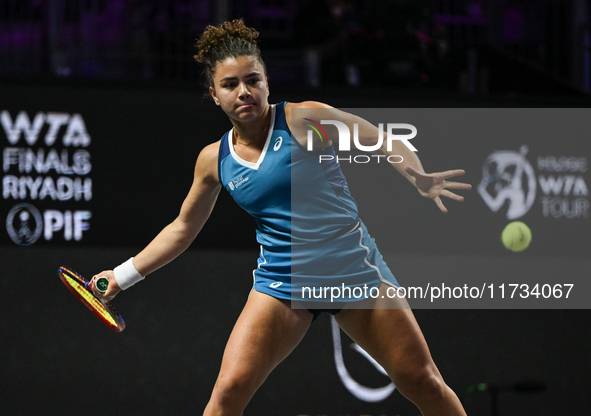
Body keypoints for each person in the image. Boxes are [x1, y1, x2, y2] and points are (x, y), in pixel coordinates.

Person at [91, 19, 471, 416]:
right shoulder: (213, 161)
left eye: (253, 80)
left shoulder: (303, 120)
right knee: (227, 394)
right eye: (230, 84)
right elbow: (182, 228)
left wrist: (417, 175)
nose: (244, 92)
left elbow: (378, 138)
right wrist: (120, 276)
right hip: (284, 282)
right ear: (214, 94)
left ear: (267, 82)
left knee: (424, 383)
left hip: (354, 271)